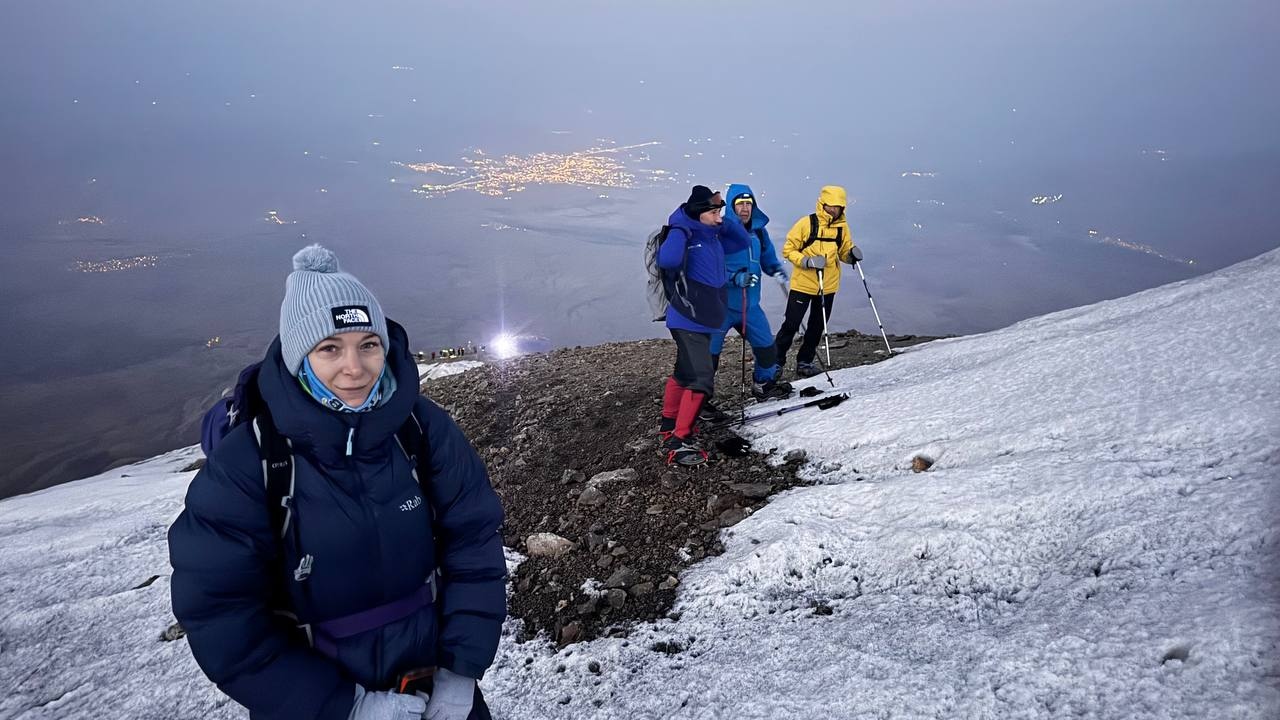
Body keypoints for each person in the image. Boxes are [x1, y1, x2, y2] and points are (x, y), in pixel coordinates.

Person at [169, 245, 506, 720]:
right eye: (330, 348)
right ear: (298, 357)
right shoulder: (250, 464)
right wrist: (346, 707)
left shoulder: (421, 430)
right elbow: (220, 614)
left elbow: (473, 544)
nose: (355, 367)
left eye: (368, 344)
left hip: (435, 690)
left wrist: (460, 671)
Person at [655, 185, 746, 466]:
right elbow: (667, 260)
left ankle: (669, 425)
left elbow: (741, 240)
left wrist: (721, 221)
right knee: (702, 378)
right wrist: (681, 227)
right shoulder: (685, 233)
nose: (719, 217)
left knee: (685, 373)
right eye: (714, 212)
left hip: (704, 318)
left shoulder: (712, 234)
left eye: (720, 212)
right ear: (698, 213)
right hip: (686, 319)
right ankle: (680, 441)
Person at [711, 183, 792, 401]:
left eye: (749, 203)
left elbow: (767, 258)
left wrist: (775, 269)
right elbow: (709, 268)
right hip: (720, 306)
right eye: (740, 204)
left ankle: (763, 385)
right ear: (732, 207)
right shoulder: (720, 232)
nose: (745, 208)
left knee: (767, 348)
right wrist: (734, 278)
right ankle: (700, 400)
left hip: (750, 305)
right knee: (709, 356)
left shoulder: (759, 233)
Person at [774, 185, 863, 377]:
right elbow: (788, 250)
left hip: (828, 285)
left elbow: (843, 251)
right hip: (803, 284)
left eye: (837, 207)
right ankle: (775, 362)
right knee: (791, 324)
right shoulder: (807, 224)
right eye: (830, 206)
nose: (833, 210)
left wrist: (851, 256)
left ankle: (805, 361)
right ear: (822, 204)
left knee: (817, 326)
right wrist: (806, 261)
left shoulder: (842, 228)